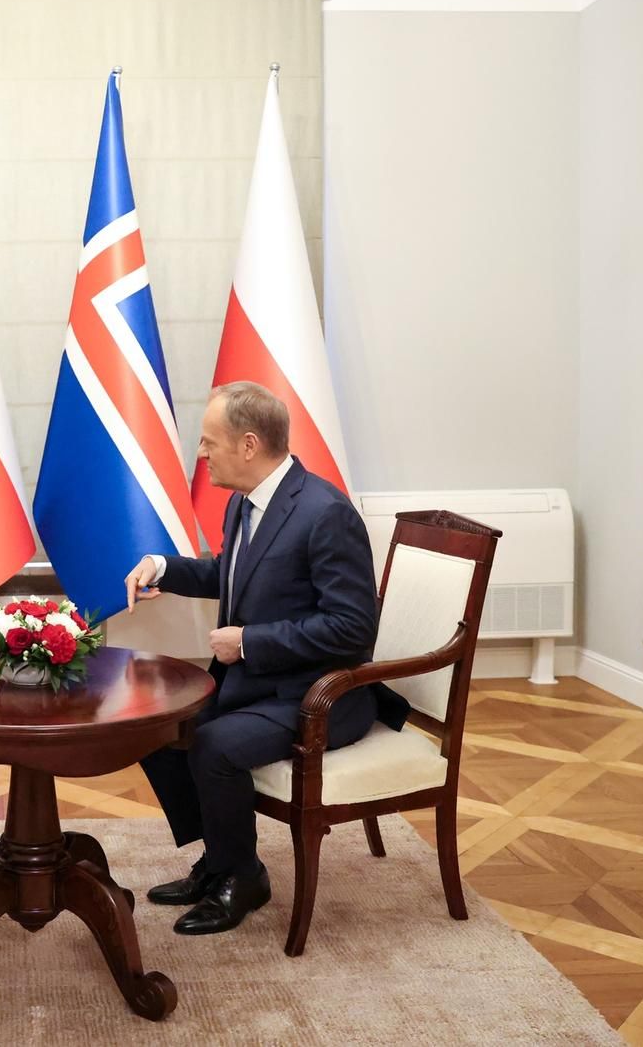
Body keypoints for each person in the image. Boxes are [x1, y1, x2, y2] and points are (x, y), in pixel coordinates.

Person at [122, 381, 401, 935]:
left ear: (248, 445)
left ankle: (242, 877)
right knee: (156, 727)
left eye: (209, 441)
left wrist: (249, 641)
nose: (201, 453)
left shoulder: (325, 513)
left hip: (320, 694)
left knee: (213, 746)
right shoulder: (244, 502)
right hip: (258, 684)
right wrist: (163, 566)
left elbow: (352, 626)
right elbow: (232, 575)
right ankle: (220, 859)